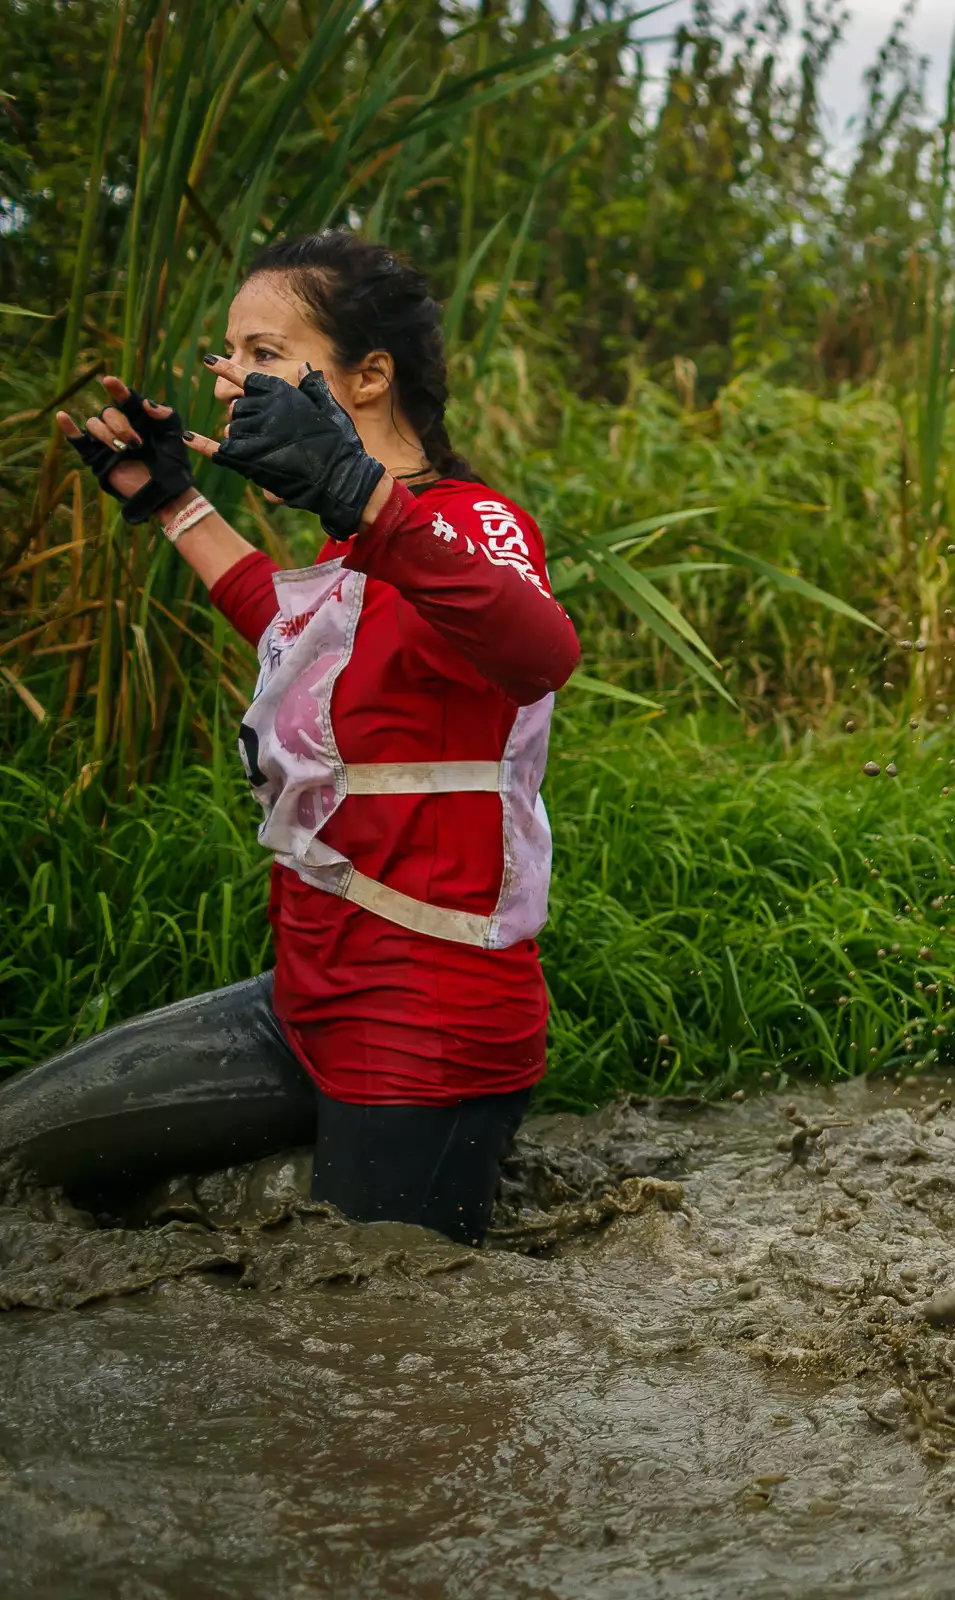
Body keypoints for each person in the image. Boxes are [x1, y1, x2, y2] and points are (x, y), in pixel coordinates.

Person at [1, 232, 578, 1245]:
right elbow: (288, 617)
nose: (232, 382)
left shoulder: (471, 521)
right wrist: (172, 500)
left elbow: (539, 649)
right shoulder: (355, 540)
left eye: (263, 354)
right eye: (229, 356)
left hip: (423, 1022)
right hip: (307, 991)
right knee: (17, 1149)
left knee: (380, 1347)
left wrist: (368, 499)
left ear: (367, 376)